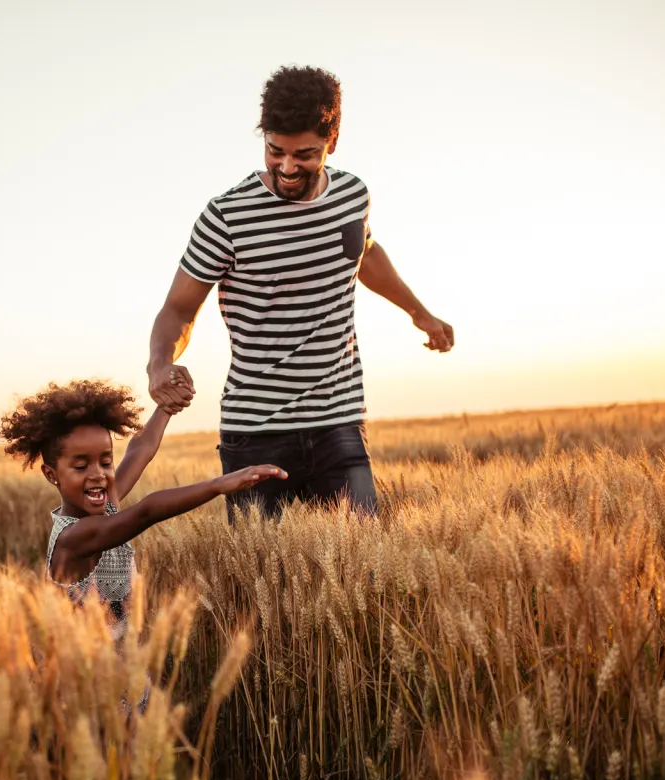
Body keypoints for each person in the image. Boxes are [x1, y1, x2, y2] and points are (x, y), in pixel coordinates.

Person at [146, 65, 454, 520]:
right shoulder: (227, 216)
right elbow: (178, 308)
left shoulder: (352, 195)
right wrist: (160, 365)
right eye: (276, 151)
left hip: (339, 421)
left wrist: (419, 313)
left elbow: (364, 254)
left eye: (305, 154)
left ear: (332, 141)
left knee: (363, 570)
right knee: (261, 582)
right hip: (255, 431)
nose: (288, 168)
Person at [0, 379, 285, 712]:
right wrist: (219, 485)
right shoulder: (72, 540)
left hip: (129, 685)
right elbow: (147, 510)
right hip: (86, 698)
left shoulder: (106, 504)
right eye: (80, 466)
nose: (99, 475)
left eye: (105, 461)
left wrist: (166, 408)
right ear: (51, 474)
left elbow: (141, 449)